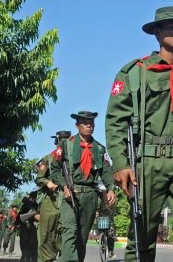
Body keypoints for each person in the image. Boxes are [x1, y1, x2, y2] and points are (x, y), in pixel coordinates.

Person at [106, 6, 173, 262]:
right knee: (141, 233)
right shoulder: (134, 72)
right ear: (157, 33)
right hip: (146, 160)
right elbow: (115, 122)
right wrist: (121, 164)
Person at [49, 111, 116, 262]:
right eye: (85, 123)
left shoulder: (99, 149)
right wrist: (64, 185)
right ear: (77, 125)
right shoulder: (66, 144)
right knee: (70, 232)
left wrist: (110, 188)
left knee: (82, 238)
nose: (89, 126)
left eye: (91, 123)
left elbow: (106, 171)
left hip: (90, 197)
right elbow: (54, 168)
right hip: (70, 195)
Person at [36, 130, 71, 262]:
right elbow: (39, 178)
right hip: (51, 200)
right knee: (47, 234)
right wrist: (48, 182)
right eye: (61, 139)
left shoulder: (74, 159)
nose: (64, 142)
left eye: (67, 139)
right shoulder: (48, 159)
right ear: (57, 141)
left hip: (68, 199)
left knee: (67, 232)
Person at [18, 192, 39, 262]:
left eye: (33, 198)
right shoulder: (24, 206)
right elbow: (20, 217)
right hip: (24, 226)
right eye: (31, 197)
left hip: (32, 226)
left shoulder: (36, 205)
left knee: (33, 244)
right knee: (24, 243)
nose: (32, 199)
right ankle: (24, 257)